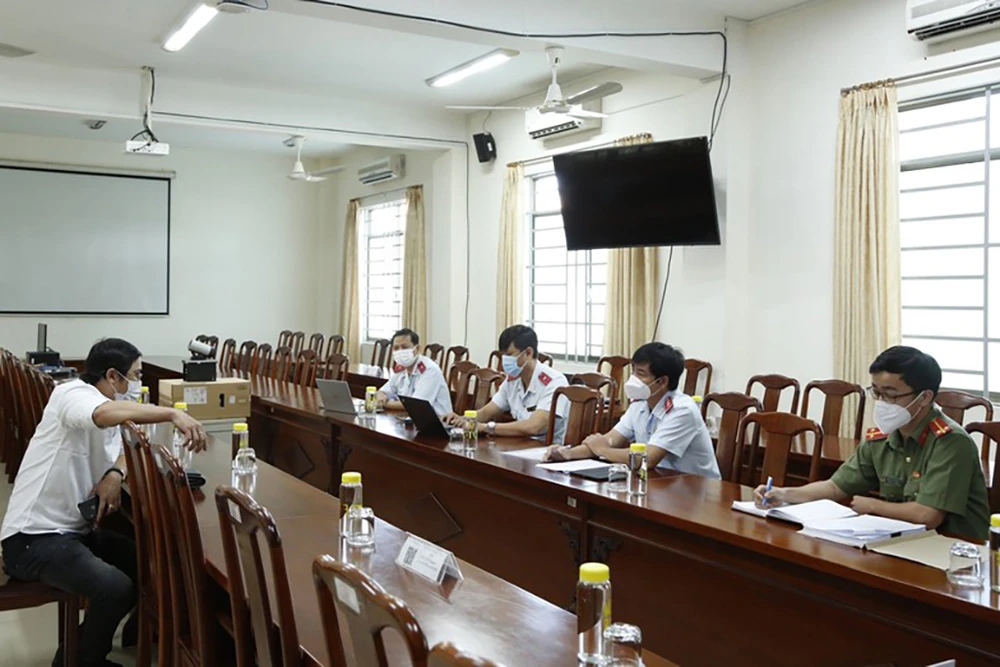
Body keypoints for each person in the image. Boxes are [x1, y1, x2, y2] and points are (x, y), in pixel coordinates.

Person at [1, 338, 207, 667]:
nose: (137, 383)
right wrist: (171, 413)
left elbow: (125, 446)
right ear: (113, 376)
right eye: (135, 376)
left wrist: (115, 473)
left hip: (73, 532)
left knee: (146, 563)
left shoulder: (112, 405)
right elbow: (100, 415)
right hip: (32, 539)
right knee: (115, 588)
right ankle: (79, 661)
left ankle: (79, 655)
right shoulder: (72, 394)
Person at [754, 346, 990, 541]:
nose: (883, 402)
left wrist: (874, 506)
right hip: (902, 541)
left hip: (955, 550)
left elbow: (927, 515)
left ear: (924, 397)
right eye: (877, 393)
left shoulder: (950, 442)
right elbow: (835, 488)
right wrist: (784, 494)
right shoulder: (882, 438)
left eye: (891, 394)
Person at [543, 342, 721, 479]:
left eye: (641, 374)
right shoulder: (640, 404)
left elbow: (647, 459)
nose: (633, 379)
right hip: (660, 483)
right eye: (633, 371)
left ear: (662, 382)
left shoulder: (683, 410)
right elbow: (610, 440)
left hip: (697, 492)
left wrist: (602, 450)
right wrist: (567, 454)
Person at [447, 325, 569, 443]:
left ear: (528, 353)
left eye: (509, 354)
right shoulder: (512, 381)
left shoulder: (554, 382)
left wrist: (486, 427)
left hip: (546, 450)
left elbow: (534, 426)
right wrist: (461, 419)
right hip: (519, 446)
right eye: (503, 355)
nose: (504, 360)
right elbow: (486, 412)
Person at [375, 328, 452, 417]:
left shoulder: (430, 370)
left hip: (438, 421)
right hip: (410, 418)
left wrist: (385, 404)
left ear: (417, 349)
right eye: (396, 348)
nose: (400, 351)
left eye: (405, 347)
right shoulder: (401, 369)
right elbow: (383, 391)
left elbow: (416, 405)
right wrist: (380, 396)